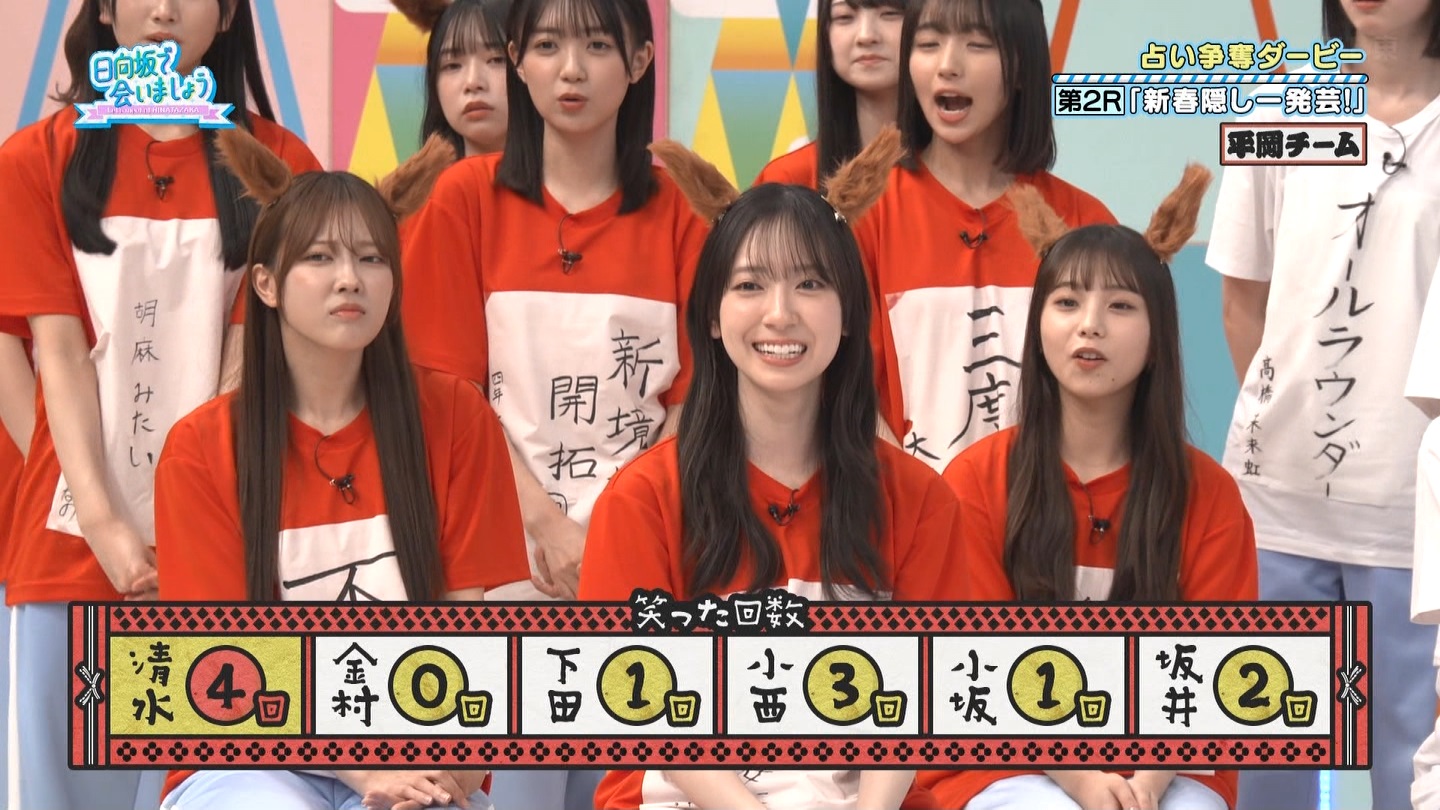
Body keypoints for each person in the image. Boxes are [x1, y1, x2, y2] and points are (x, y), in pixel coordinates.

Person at [577, 128, 957, 810]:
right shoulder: (643, 498)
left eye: (810, 284)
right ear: (713, 317)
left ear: (849, 316)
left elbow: (922, 698)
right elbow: (638, 702)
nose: (780, 314)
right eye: (750, 285)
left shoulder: (918, 499)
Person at [0, 1, 321, 807]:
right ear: (107, 10)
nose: (165, 9)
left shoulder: (279, 163)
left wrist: (195, 526)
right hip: (72, 554)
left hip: (224, 555)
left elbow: (253, 361)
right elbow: (55, 351)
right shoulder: (38, 157)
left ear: (229, 13)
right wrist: (106, 524)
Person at [154, 126, 529, 810]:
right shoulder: (201, 448)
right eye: (320, 257)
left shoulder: (456, 417)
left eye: (371, 257)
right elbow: (219, 666)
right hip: (249, 757)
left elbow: (468, 627)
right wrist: (362, 771)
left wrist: (456, 763)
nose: (350, 277)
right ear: (266, 284)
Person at [398, 2, 706, 805]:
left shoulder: (678, 211)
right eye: (547, 45)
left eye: (597, 45)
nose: (571, 69)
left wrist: (619, 536)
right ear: (518, 60)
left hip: (645, 556)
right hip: (502, 558)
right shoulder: (464, 197)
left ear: (638, 63)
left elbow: (694, 401)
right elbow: (448, 392)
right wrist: (546, 525)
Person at [923, 166, 1254, 810]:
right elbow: (978, 658)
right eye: (1068, 302)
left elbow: (1216, 663)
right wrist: (1080, 781)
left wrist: (1144, 783)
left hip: (1167, 767)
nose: (1090, 325)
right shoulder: (976, 480)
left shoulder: (1209, 494)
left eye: (1121, 306)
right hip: (1000, 762)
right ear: (1037, 326)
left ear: (1157, 338)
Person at [1207, 0, 1440, 806]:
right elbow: (1243, 300)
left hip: (1414, 515)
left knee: (1412, 775)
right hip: (1275, 504)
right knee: (1267, 773)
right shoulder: (1278, 103)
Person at [854, 0, 1114, 470]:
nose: (947, 65)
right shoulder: (867, 215)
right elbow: (844, 386)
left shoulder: (1084, 221)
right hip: (901, 503)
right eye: (928, 44)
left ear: (1022, 67)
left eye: (977, 44)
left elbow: (1112, 392)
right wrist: (914, 495)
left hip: (1047, 504)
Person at [754, 0, 908, 189]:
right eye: (844, 17)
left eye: (890, 13)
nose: (866, 36)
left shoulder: (942, 175)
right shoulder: (788, 180)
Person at [395, 0, 512, 158]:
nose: (472, 82)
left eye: (496, 60)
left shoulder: (548, 174)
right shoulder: (426, 175)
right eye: (453, 66)